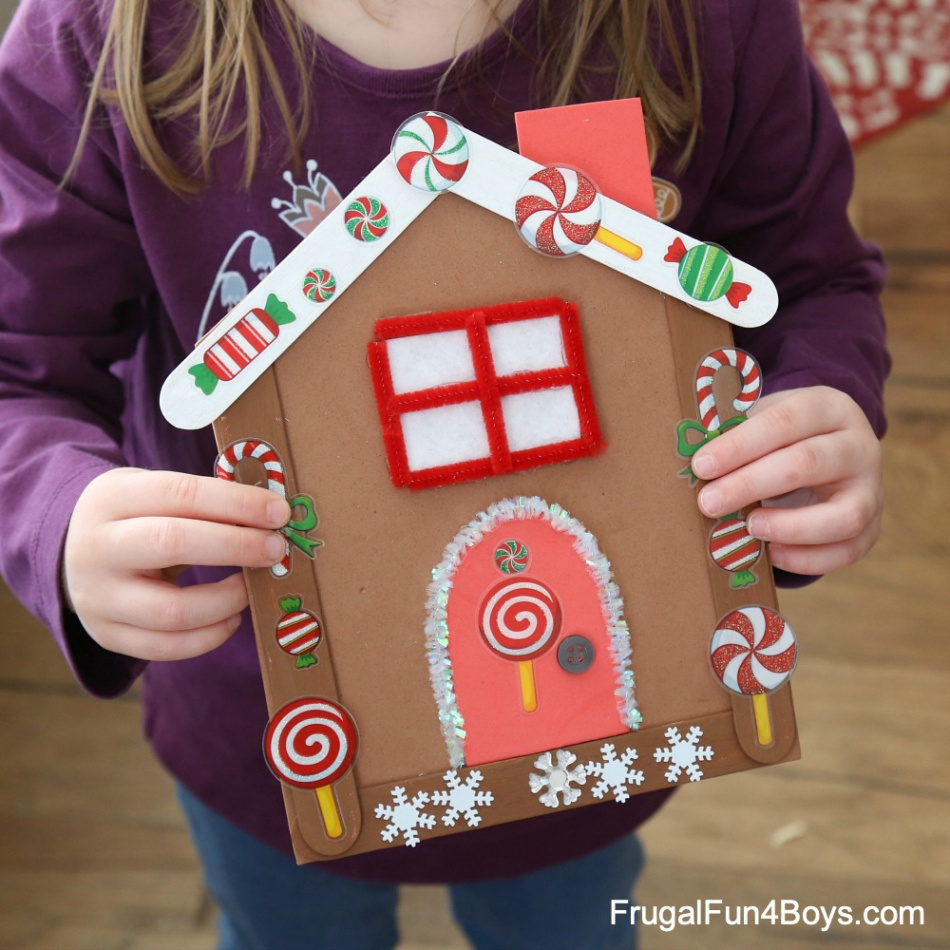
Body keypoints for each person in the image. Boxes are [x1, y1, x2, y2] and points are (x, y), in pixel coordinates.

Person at [0, 0, 888, 947]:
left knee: (571, 927)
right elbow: (19, 366)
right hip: (262, 727)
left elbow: (805, 282)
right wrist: (59, 518)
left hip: (604, 732)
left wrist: (811, 423)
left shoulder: (707, 21)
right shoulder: (95, 38)